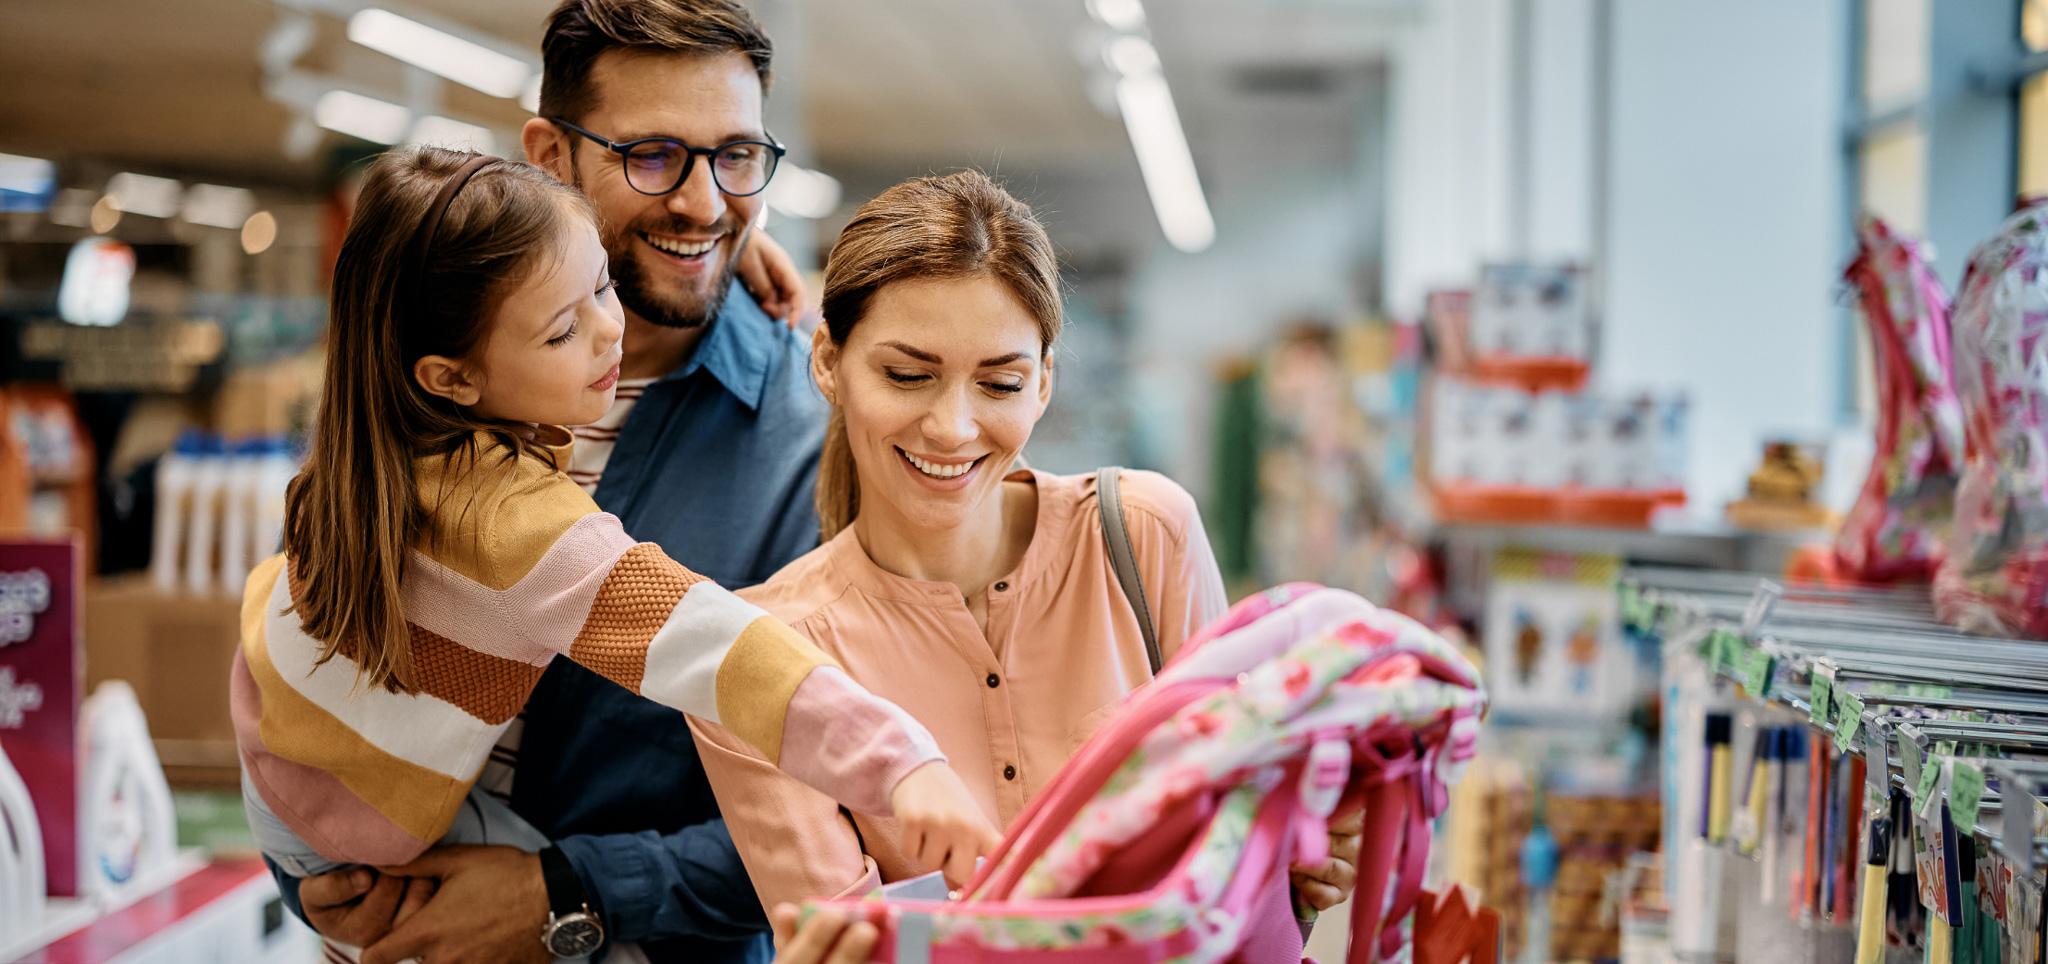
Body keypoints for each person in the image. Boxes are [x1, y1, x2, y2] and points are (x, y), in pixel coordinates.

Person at [234, 144, 999, 954]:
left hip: (286, 763)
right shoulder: (512, 528)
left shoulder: (378, 441)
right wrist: (904, 764)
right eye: (565, 329)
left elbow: (465, 237)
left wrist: (733, 253)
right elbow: (722, 648)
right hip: (350, 839)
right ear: (451, 377)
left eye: (602, 282)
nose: (612, 330)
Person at [692, 171, 1364, 938]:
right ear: (827, 362)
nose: (952, 426)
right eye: (907, 375)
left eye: (1001, 382)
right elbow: (848, 949)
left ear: (1044, 381)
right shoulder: (764, 656)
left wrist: (1299, 852)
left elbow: (1236, 855)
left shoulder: (1144, 536)